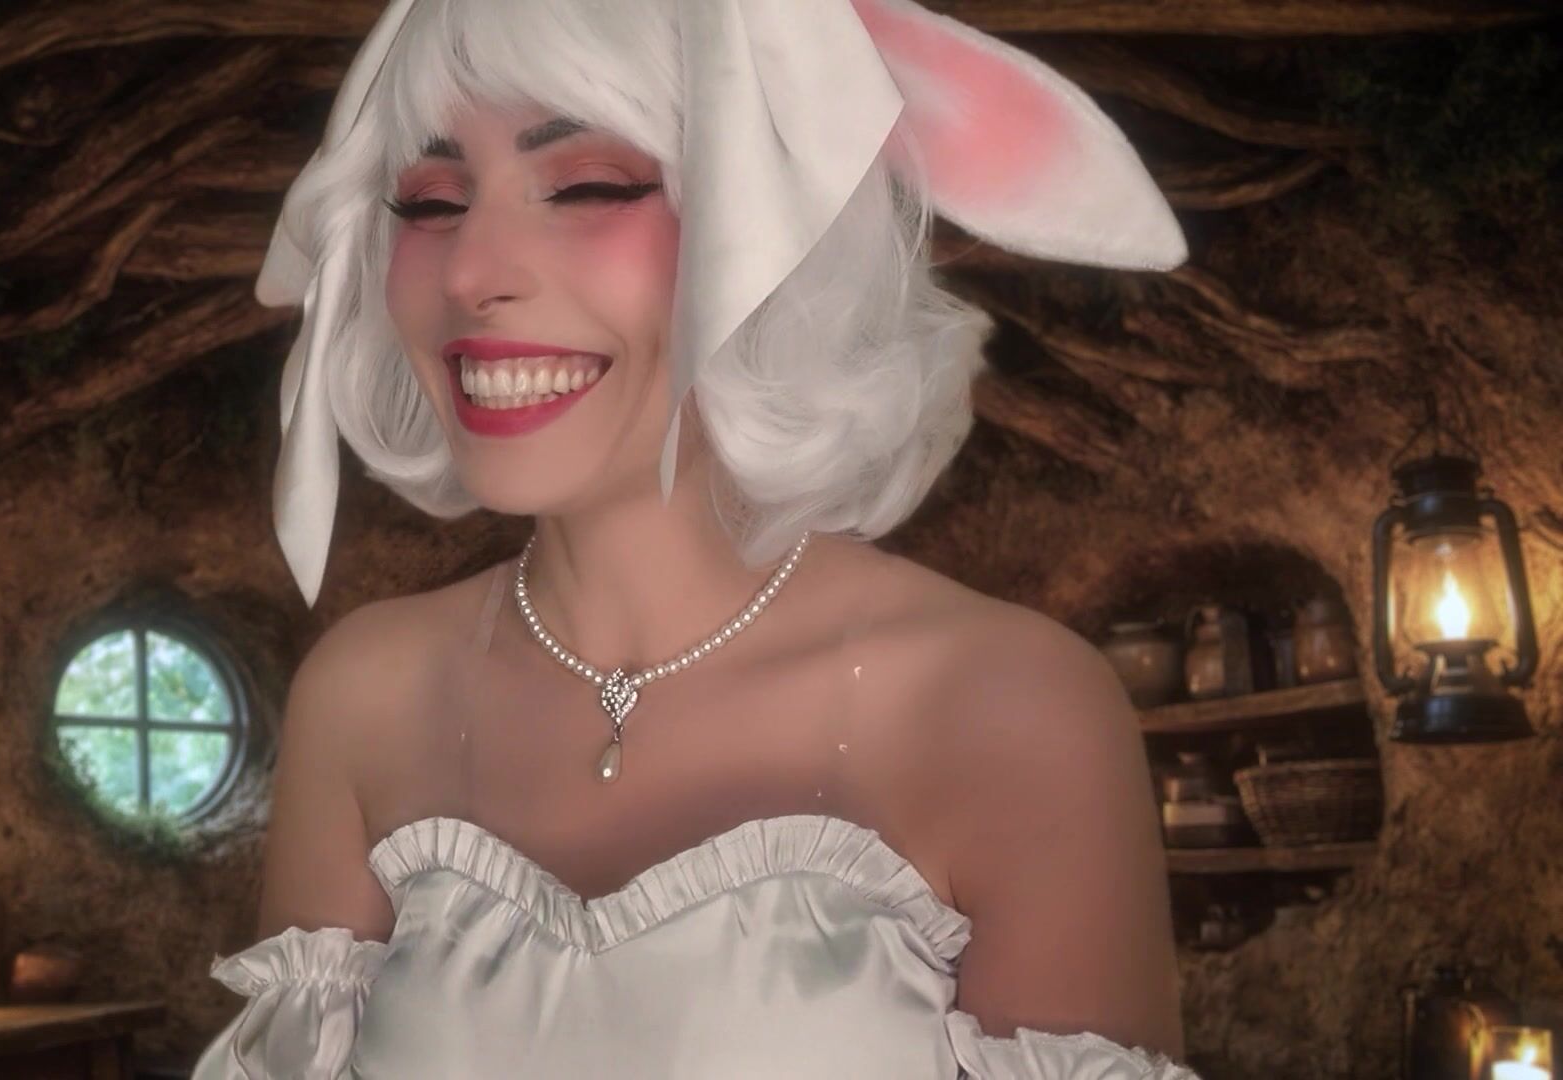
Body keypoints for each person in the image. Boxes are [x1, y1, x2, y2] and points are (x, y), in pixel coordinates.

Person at [194, 0, 1203, 1076]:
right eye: (432, 201)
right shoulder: (364, 697)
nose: (469, 272)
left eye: (587, 187)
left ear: (783, 222)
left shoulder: (1013, 707)